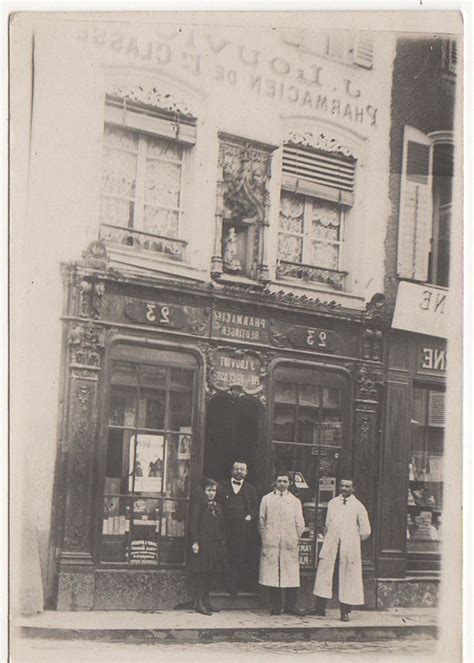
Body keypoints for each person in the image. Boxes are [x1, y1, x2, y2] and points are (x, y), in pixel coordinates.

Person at [310, 478, 371, 622]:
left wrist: (352, 539)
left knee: (348, 578)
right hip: (332, 544)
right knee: (325, 575)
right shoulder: (332, 503)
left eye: (347, 486)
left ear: (353, 489)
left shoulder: (358, 506)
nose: (344, 488)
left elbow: (365, 530)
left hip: (348, 546)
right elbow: (327, 524)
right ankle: (319, 608)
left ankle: (345, 611)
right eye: (342, 486)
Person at [258, 472, 306, 616]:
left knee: (291, 576)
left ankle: (291, 606)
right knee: (274, 576)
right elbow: (261, 521)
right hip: (272, 543)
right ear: (275, 482)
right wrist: (267, 537)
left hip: (289, 544)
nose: (282, 484)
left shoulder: (294, 501)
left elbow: (300, 524)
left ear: (290, 483)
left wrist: (293, 538)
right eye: (279, 481)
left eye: (285, 481)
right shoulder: (266, 499)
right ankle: (276, 606)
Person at [189, 478, 227, 615]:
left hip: (214, 543)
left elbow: (221, 525)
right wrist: (195, 542)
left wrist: (221, 540)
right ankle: (198, 603)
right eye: (209, 490)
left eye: (213, 490)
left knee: (210, 573)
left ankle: (206, 600)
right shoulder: (199, 505)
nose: (211, 493)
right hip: (202, 543)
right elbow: (193, 524)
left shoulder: (218, 506)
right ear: (203, 491)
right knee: (201, 573)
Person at [220, 460, 258, 597]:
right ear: (232, 471)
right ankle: (222, 584)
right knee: (224, 556)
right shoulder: (222, 487)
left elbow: (255, 508)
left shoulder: (251, 489)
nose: (239, 472)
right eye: (237, 469)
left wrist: (250, 517)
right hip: (225, 527)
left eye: (242, 469)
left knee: (239, 556)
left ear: (246, 473)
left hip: (242, 528)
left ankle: (234, 585)